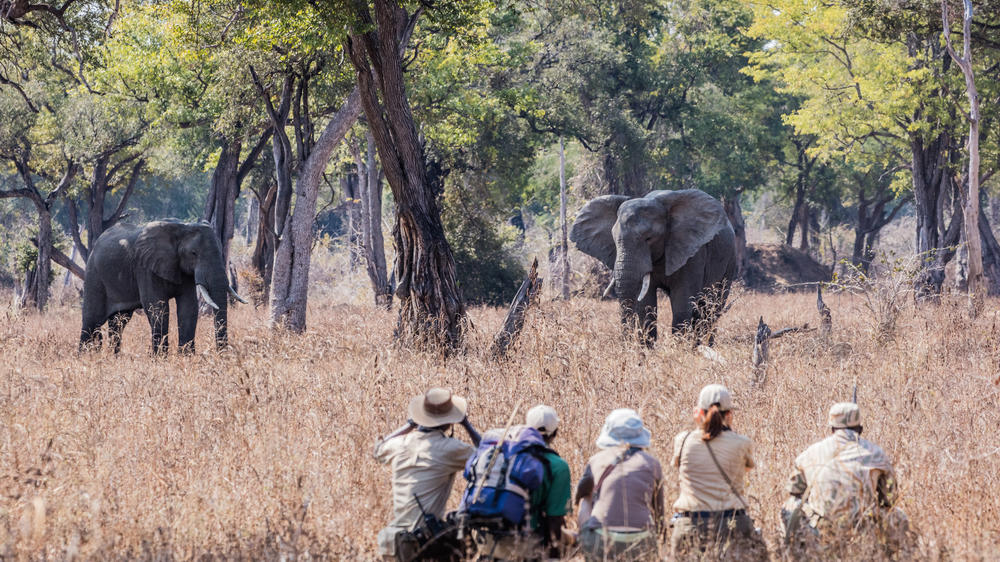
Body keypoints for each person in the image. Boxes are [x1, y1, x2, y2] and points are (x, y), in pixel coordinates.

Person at [782, 402, 908, 554]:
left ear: (832, 428)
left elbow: (795, 492)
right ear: (860, 429)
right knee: (899, 515)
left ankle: (793, 553)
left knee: (790, 505)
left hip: (821, 530)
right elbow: (890, 499)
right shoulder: (876, 453)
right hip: (863, 528)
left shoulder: (810, 453)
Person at [374, 387, 482, 561]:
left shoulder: (400, 444)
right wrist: (467, 424)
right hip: (424, 542)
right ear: (449, 422)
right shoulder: (449, 449)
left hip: (393, 541)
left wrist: (409, 425)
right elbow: (488, 457)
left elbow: (378, 449)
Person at [670, 384, 763, 560]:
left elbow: (677, 465)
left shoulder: (682, 441)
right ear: (729, 415)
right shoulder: (741, 443)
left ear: (698, 412)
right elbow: (747, 468)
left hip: (691, 525)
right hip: (732, 524)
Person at [575, 408, 664, 561]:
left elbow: (580, 495)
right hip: (641, 539)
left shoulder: (597, 460)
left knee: (586, 498)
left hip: (601, 538)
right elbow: (659, 510)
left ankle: (584, 539)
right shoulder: (652, 463)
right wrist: (660, 541)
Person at [525, 405, 572, 558]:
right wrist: (554, 555)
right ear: (555, 433)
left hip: (493, 533)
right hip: (530, 539)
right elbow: (555, 517)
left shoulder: (510, 453)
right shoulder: (559, 466)